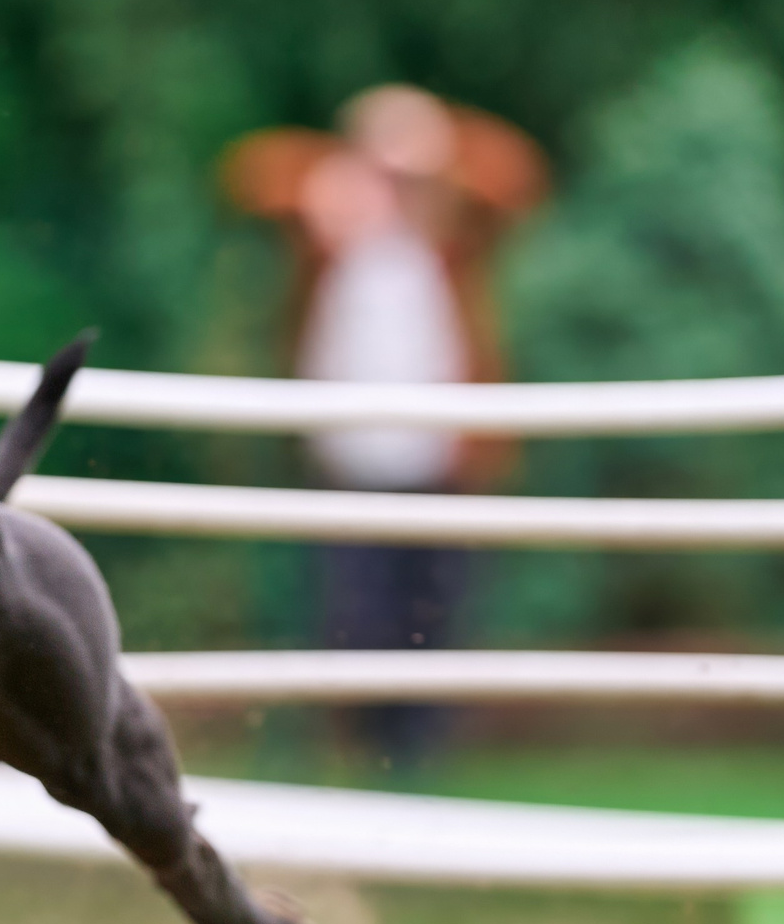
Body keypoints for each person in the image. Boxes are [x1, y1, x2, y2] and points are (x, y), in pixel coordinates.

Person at [222, 86, 548, 774]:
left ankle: (422, 754)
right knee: (354, 612)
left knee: (438, 611)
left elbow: (521, 177)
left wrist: (435, 153)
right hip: (349, 459)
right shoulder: (330, 233)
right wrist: (335, 179)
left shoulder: (456, 235)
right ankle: (356, 748)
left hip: (444, 460)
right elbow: (246, 175)